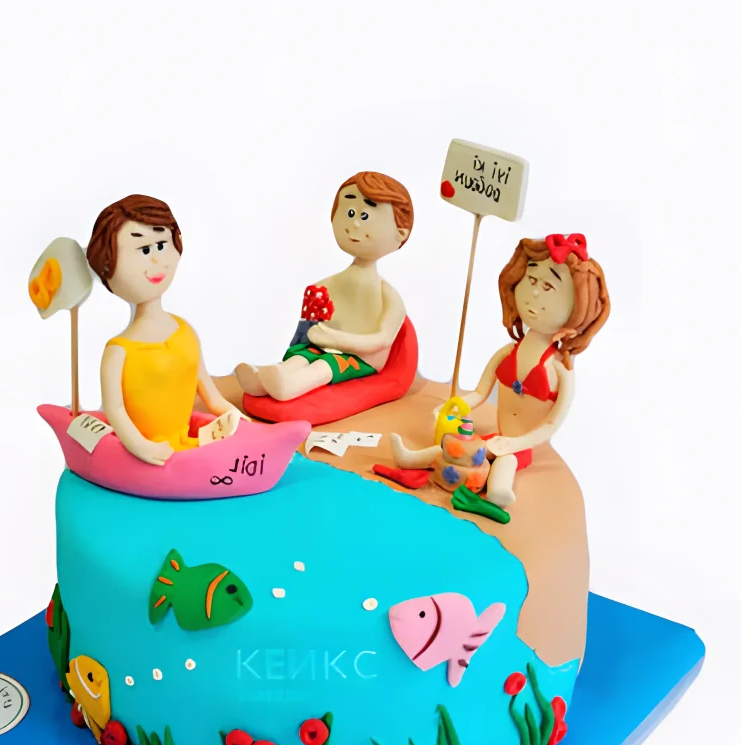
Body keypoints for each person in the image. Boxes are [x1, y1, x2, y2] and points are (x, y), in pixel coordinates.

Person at [392, 233, 609, 508]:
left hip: (520, 447)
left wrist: (514, 445)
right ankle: (411, 458)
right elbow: (480, 393)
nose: (534, 293)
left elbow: (551, 425)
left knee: (505, 461)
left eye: (548, 286)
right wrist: (457, 406)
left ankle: (499, 491)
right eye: (531, 280)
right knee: (457, 446)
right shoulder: (507, 353)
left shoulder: (561, 371)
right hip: (497, 437)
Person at [86, 195, 239, 466]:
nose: (157, 261)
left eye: (161, 245)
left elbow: (211, 395)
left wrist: (238, 418)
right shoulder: (118, 351)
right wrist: (141, 447)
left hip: (188, 446)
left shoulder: (185, 331)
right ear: (107, 266)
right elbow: (115, 410)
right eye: (144, 250)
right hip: (146, 456)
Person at [234, 171, 413, 402]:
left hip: (361, 358)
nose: (355, 223)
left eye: (365, 216)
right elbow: (307, 329)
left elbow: (383, 340)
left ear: (400, 234)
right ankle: (266, 379)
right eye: (350, 213)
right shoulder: (325, 286)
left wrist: (336, 339)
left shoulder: (388, 296)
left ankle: (288, 386)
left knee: (324, 365)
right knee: (301, 357)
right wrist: (313, 330)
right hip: (322, 343)